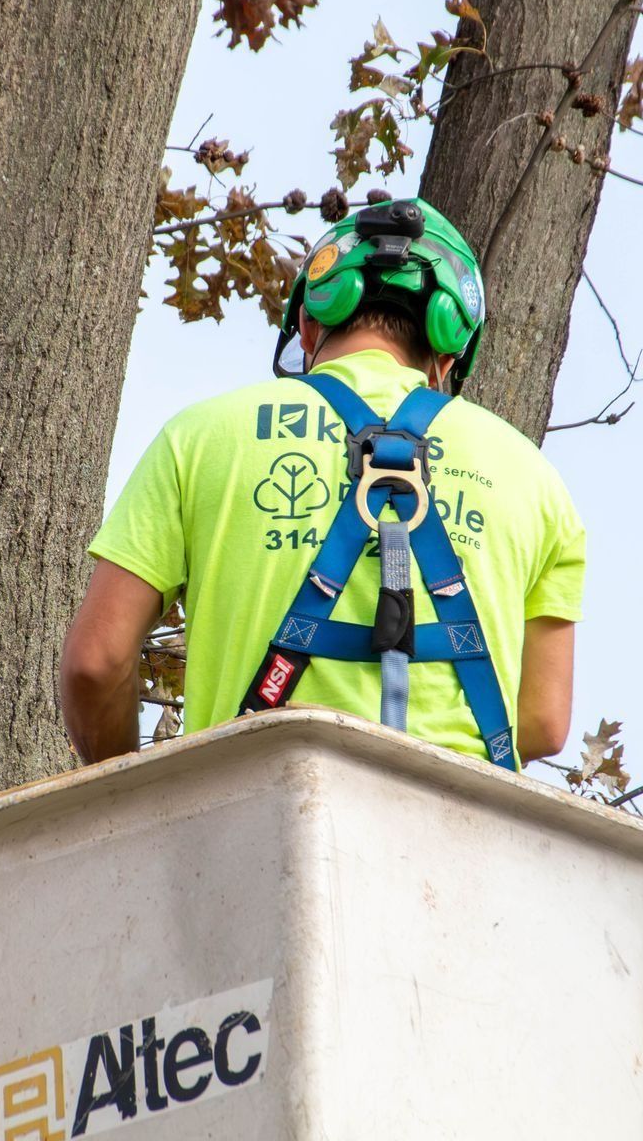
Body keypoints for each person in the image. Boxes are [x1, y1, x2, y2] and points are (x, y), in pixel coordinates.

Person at [60, 197, 585, 769]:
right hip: (459, 834)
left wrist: (123, 800)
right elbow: (541, 722)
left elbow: (96, 662)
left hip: (252, 814)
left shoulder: (201, 436)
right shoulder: (536, 479)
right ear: (451, 345)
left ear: (308, 323)